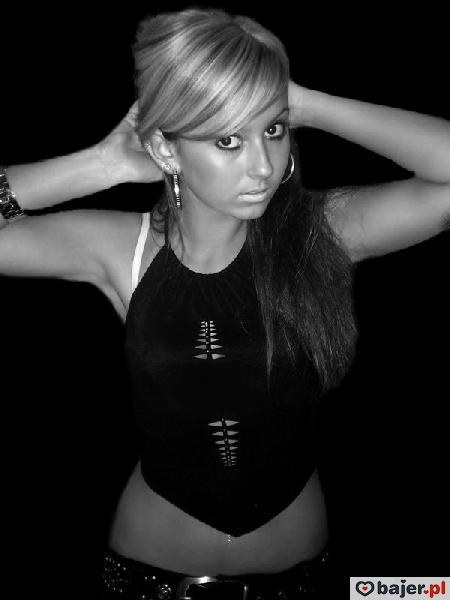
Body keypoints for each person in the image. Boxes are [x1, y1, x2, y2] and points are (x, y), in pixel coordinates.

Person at [1, 6, 449, 599]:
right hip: (149, 580)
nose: (263, 166)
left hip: (299, 582)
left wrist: (303, 102)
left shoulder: (322, 234)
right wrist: (101, 163)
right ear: (166, 150)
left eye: (274, 131)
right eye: (228, 140)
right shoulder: (121, 249)